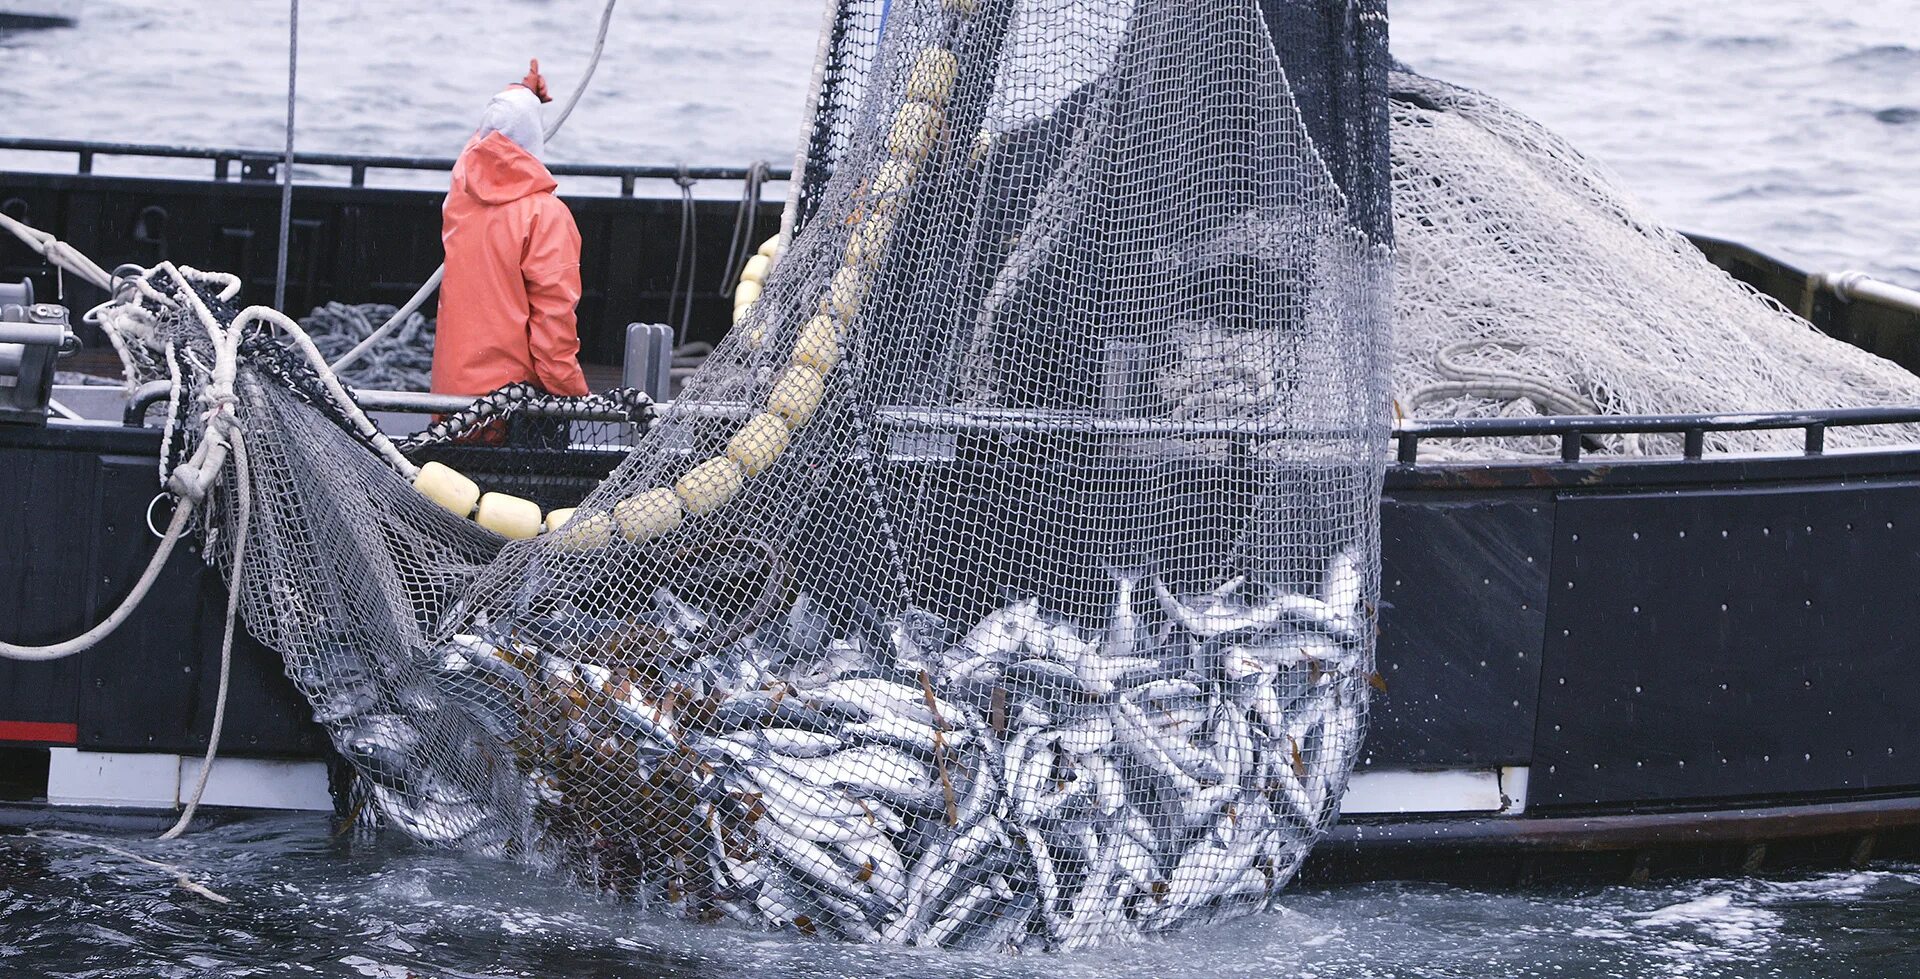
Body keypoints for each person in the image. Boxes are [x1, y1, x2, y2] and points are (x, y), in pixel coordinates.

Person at [431, 60, 591, 400]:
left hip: (449, 399)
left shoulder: (463, 186)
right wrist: (576, 398)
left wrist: (522, 92)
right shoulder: (547, 217)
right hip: (510, 408)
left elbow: (485, 138)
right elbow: (553, 329)